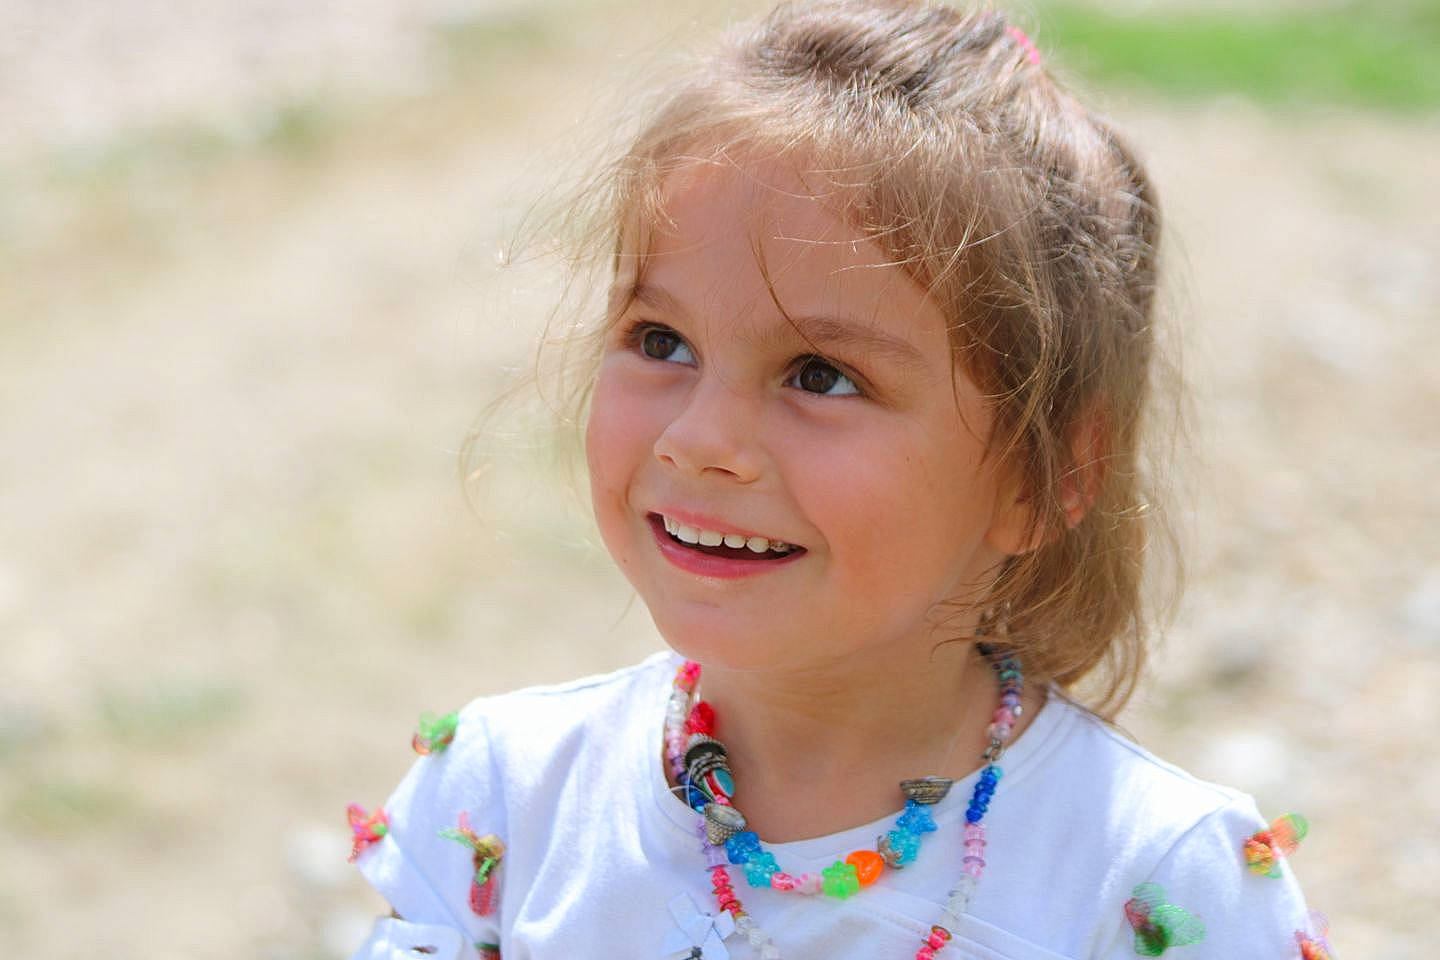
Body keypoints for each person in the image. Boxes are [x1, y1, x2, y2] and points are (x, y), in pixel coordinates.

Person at [346, 2, 1319, 957]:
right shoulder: (508, 806)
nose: (698, 439)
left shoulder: (1151, 885)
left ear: (1048, 471)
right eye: (662, 341)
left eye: (819, 376)